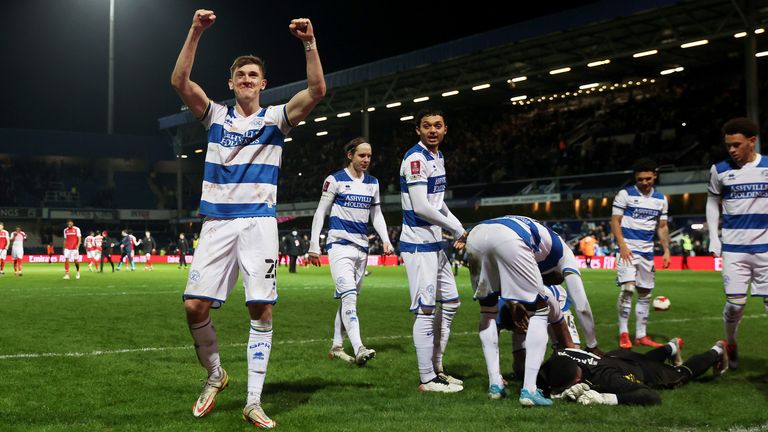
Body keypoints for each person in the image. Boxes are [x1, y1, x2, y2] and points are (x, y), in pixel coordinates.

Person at [171, 8, 325, 428]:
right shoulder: (215, 117)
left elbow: (316, 90)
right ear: (231, 83)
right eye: (240, 76)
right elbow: (180, 82)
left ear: (263, 83)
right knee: (194, 305)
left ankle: (253, 400)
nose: (247, 81)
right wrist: (196, 31)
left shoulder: (275, 119)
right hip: (217, 222)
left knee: (261, 309)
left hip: (258, 221)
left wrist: (309, 43)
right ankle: (217, 374)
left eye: (253, 76)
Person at [307, 137, 393, 366]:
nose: (366, 160)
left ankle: (336, 347)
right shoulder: (334, 180)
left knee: (348, 300)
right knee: (350, 298)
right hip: (339, 246)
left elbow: (377, 214)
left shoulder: (372, 183)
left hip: (362, 249)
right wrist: (314, 245)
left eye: (369, 156)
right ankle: (359, 347)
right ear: (350, 155)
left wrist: (385, 239)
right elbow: (320, 212)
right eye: (361, 155)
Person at [399, 108, 467, 393]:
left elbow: (437, 203)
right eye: (426, 126)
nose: (432, 130)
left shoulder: (438, 157)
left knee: (450, 301)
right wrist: (458, 229)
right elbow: (422, 206)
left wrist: (456, 226)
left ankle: (438, 368)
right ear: (418, 130)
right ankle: (426, 378)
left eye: (438, 126)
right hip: (418, 245)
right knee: (426, 309)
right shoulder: (416, 159)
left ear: (445, 129)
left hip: (435, 244)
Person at [467, 216, 561, 406]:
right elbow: (579, 297)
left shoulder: (537, 230)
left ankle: (495, 384)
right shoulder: (560, 249)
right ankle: (529, 390)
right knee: (540, 309)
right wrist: (591, 343)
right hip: (508, 238)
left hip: (475, 234)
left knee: (487, 310)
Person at [706, 117, 766, 370]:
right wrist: (713, 237)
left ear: (751, 142)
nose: (731, 150)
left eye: (737, 144)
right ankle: (731, 342)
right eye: (728, 145)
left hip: (765, 249)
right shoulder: (719, 170)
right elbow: (712, 202)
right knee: (735, 305)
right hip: (733, 250)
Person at [537, 339, 729, 405]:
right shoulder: (560, 355)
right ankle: (671, 347)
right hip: (615, 357)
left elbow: (650, 396)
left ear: (576, 380)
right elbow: (544, 375)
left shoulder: (606, 379)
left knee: (679, 373)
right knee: (643, 357)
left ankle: (717, 350)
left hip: (640, 371)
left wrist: (606, 399)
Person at [611, 158, 671, 349]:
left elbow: (662, 227)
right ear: (635, 179)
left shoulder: (661, 199)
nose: (644, 183)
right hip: (627, 249)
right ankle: (623, 333)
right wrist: (622, 246)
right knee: (628, 289)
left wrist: (667, 250)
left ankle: (641, 336)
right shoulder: (625, 194)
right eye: (640, 179)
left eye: (648, 178)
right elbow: (615, 221)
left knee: (645, 294)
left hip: (647, 252)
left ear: (655, 175)